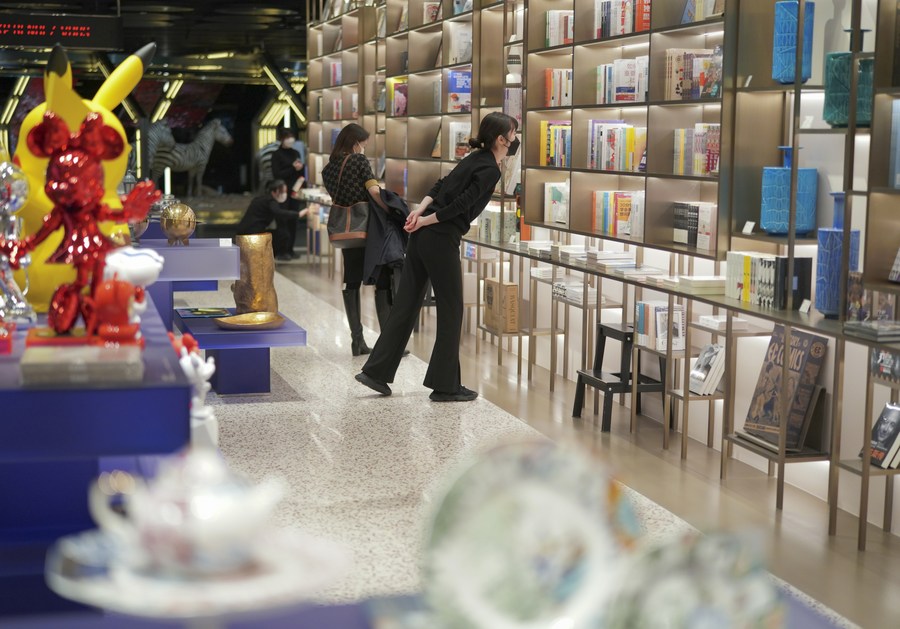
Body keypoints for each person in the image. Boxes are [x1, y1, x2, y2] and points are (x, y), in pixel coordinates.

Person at [355, 112, 519, 402]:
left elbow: (440, 186)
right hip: (440, 238)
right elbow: (459, 206)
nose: (515, 140)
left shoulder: (474, 158)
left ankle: (376, 372)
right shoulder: (490, 170)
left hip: (423, 237)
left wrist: (420, 213)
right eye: (513, 134)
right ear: (501, 139)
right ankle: (445, 386)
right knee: (452, 308)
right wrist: (424, 219)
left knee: (406, 303)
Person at [321, 123, 391, 356]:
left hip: (347, 233)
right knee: (382, 279)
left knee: (352, 281)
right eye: (363, 144)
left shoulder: (329, 168)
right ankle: (388, 344)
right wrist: (391, 209)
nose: (364, 149)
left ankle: (357, 341)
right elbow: (373, 191)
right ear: (355, 143)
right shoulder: (358, 160)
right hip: (368, 229)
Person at [270, 129, 305, 260]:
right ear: (281, 139)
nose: (290, 140)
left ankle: (290, 249)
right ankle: (282, 250)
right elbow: (277, 174)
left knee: (293, 220)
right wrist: (292, 168)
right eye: (287, 137)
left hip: (294, 192)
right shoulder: (276, 155)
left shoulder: (295, 153)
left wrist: (300, 169)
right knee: (282, 220)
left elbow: (300, 174)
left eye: (292, 137)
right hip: (281, 192)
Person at [234, 179, 307, 240]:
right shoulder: (270, 201)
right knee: (282, 236)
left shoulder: (264, 199)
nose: (284, 194)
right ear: (274, 192)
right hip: (250, 233)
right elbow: (278, 212)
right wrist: (298, 214)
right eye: (282, 192)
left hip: (247, 231)